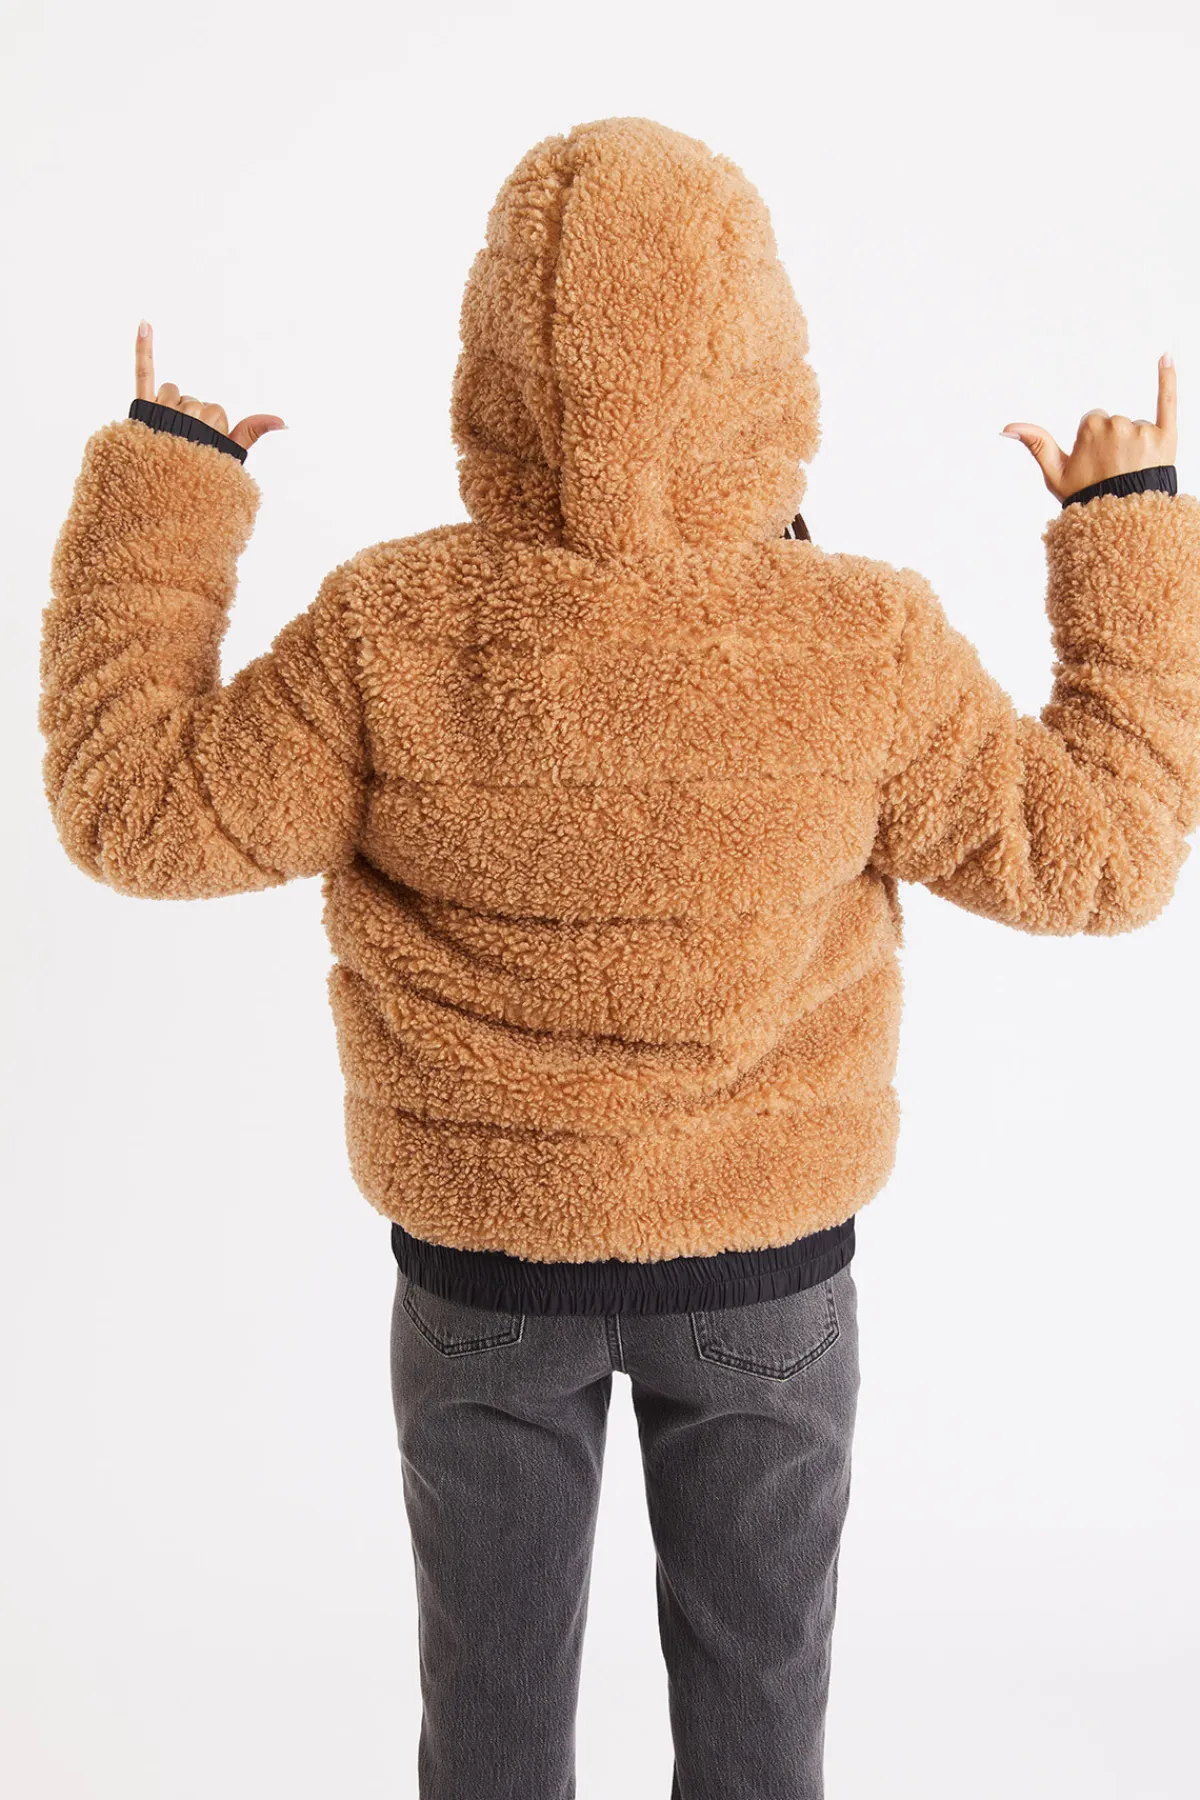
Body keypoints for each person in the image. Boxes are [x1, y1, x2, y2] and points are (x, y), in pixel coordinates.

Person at [39, 115, 1200, 1800]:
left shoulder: (386, 627)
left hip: (483, 1269)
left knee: (489, 1715)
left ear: (495, 358)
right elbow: (1106, 857)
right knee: (761, 1709)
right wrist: (1130, 525)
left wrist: (165, 484)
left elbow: (134, 813)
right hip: (764, 1272)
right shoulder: (861, 637)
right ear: (765, 357)